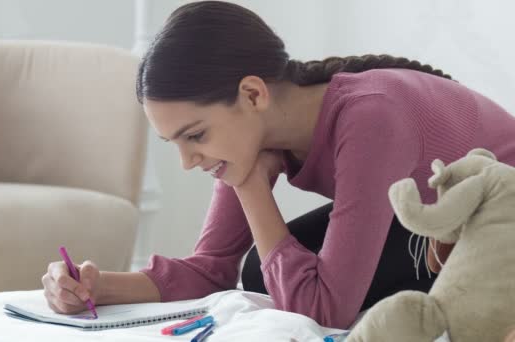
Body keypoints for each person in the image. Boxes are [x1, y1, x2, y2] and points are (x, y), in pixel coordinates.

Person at [41, 1, 515, 329]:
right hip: (435, 220)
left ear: (252, 94)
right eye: (175, 143)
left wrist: (251, 188)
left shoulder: (372, 117)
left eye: (195, 135)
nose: (188, 161)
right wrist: (98, 288)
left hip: (498, 225)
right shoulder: (254, 133)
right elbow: (211, 269)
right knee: (263, 272)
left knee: (283, 276)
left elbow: (324, 311)